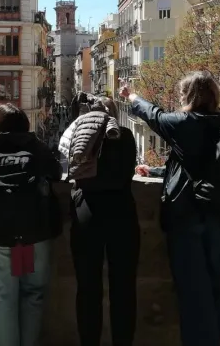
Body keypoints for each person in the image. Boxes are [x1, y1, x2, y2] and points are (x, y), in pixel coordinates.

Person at [120, 72, 220, 346]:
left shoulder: (186, 124)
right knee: (215, 286)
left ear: (188, 97)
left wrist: (131, 95)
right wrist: (157, 170)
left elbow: (155, 116)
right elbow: (195, 166)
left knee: (195, 294)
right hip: (218, 218)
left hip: (188, 220)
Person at [0, 103, 62, 346]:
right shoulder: (36, 146)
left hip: (0, 232)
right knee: (33, 295)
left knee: (4, 300)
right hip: (35, 232)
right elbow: (57, 173)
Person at [63, 96, 140, 346]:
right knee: (124, 288)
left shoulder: (78, 135)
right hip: (121, 212)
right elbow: (127, 172)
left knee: (88, 288)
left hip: (87, 210)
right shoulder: (126, 137)